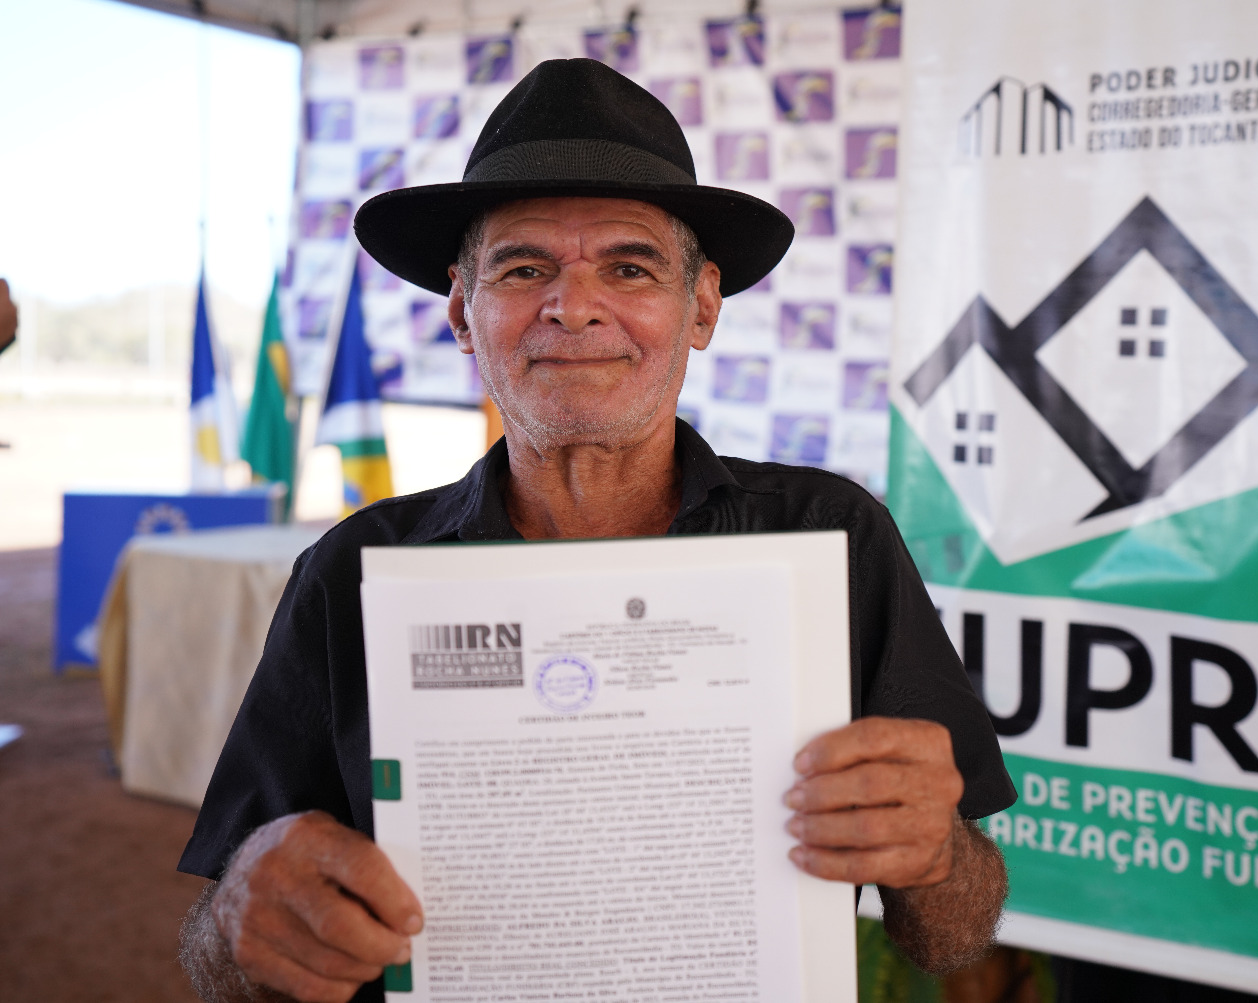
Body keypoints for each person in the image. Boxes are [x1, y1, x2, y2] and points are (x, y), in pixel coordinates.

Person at [177, 58, 1016, 1003]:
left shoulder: (832, 539)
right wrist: (243, 914)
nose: (572, 305)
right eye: (523, 268)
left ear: (701, 306)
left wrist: (933, 852)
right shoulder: (356, 571)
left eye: (629, 267)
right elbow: (218, 954)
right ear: (462, 311)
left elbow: (956, 931)